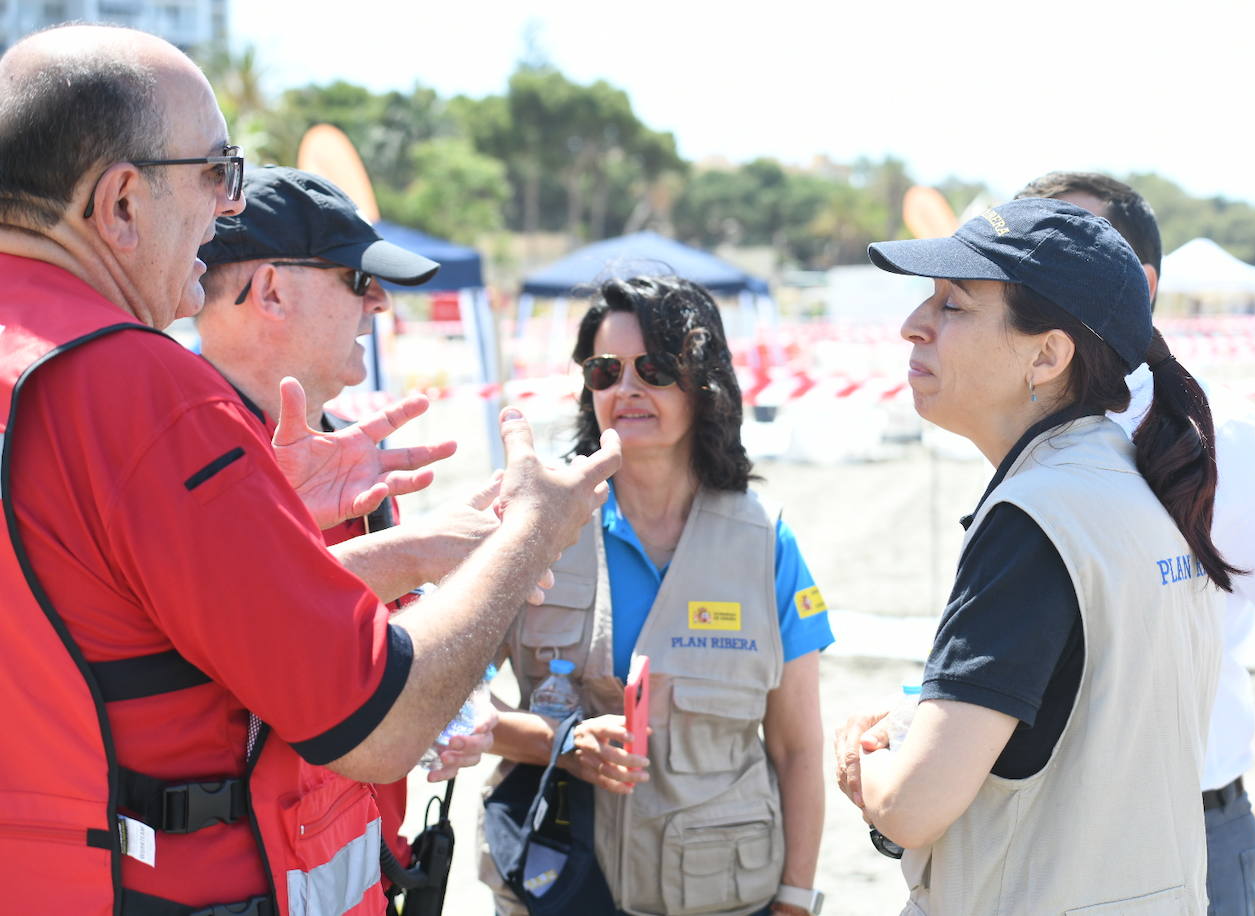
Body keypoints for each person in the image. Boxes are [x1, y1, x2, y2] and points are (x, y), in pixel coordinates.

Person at [0, 24, 619, 915]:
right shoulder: (136, 389)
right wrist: (530, 533)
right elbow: (376, 725)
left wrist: (271, 519)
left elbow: (90, 610)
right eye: (217, 172)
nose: (226, 208)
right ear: (123, 202)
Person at [834, 198, 1228, 913]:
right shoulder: (1138, 490)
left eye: (952, 306)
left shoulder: (1037, 518)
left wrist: (866, 759)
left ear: (1047, 355)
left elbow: (915, 807)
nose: (912, 325)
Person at [1016, 171, 1255, 914]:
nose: (1043, 271)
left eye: (1076, 248)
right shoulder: (1004, 427)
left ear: (1140, 283)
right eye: (1027, 252)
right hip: (1023, 830)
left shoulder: (1218, 439)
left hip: (1185, 828)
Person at [196, 164, 505, 909]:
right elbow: (232, 637)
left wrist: (455, 694)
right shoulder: (176, 450)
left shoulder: (343, 448)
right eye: (353, 276)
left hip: (355, 870)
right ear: (269, 289)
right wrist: (428, 552)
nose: (379, 301)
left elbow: (375, 649)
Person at [483, 275, 833, 916]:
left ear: (705, 381)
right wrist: (557, 746)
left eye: (655, 367)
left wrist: (795, 902)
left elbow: (798, 748)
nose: (628, 388)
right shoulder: (535, 530)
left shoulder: (767, 543)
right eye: (606, 369)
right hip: (558, 887)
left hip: (722, 895)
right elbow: (453, 706)